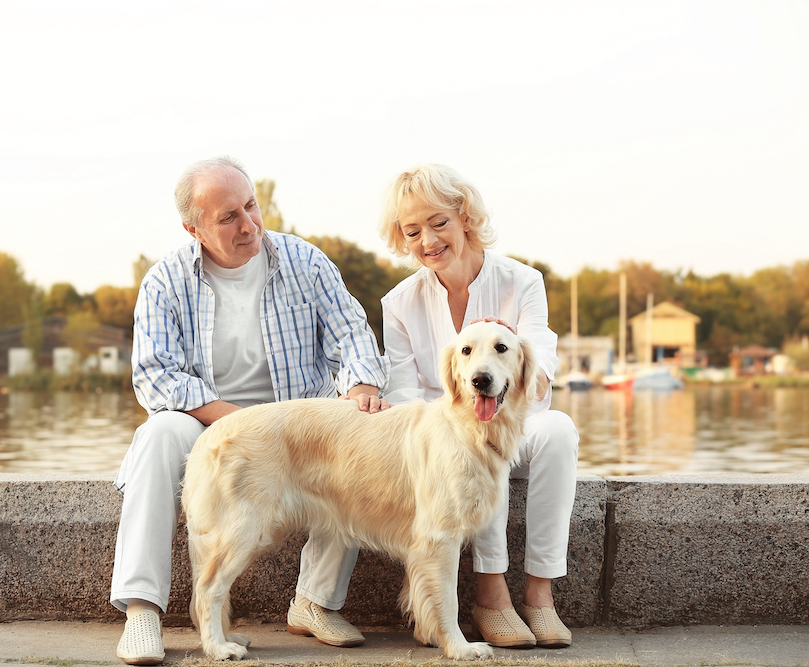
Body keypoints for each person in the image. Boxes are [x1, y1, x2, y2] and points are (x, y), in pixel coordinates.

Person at [111, 156, 390, 665]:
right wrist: (237, 422)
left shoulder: (304, 261)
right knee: (156, 436)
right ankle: (142, 612)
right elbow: (155, 376)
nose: (249, 225)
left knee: (355, 427)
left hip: (298, 420)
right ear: (193, 228)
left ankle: (314, 602)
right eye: (228, 218)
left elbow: (352, 333)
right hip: (210, 421)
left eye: (251, 205)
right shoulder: (164, 282)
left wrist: (362, 385)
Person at [378, 164, 579, 649]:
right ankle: (491, 596)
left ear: (464, 216)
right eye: (412, 231)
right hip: (437, 438)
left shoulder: (522, 282)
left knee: (558, 432)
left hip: (513, 418)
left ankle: (540, 595)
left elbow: (540, 380)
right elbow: (404, 399)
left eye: (438, 222)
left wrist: (506, 343)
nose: (428, 239)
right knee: (469, 443)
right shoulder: (399, 302)